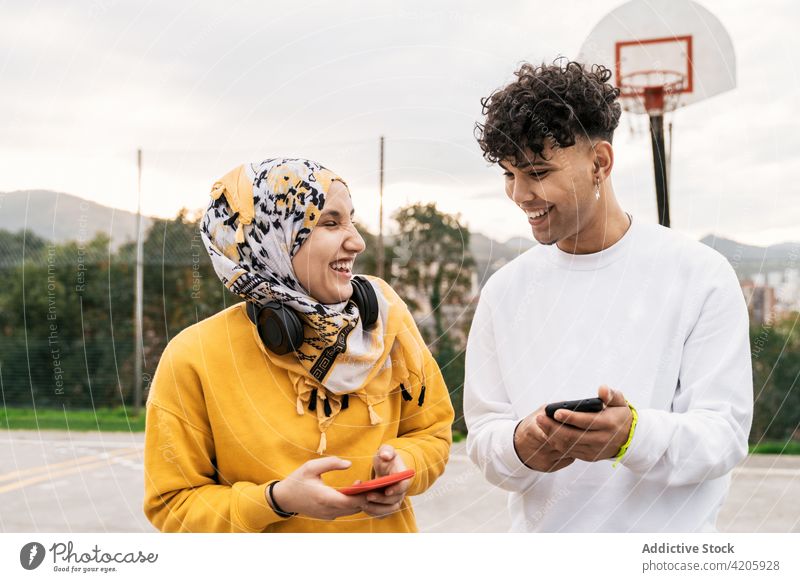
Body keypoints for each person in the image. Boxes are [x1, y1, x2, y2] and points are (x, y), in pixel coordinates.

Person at [464, 61, 753, 532]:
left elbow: (724, 435)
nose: (520, 194)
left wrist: (632, 436)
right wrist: (520, 444)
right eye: (508, 174)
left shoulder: (701, 275)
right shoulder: (504, 291)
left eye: (537, 171)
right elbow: (484, 438)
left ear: (600, 162)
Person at [143, 158, 453, 532]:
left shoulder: (388, 324)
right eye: (331, 222)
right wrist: (275, 501)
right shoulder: (193, 356)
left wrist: (405, 466)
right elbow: (171, 505)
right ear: (272, 240)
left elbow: (431, 433)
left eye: (351, 220)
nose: (357, 241)